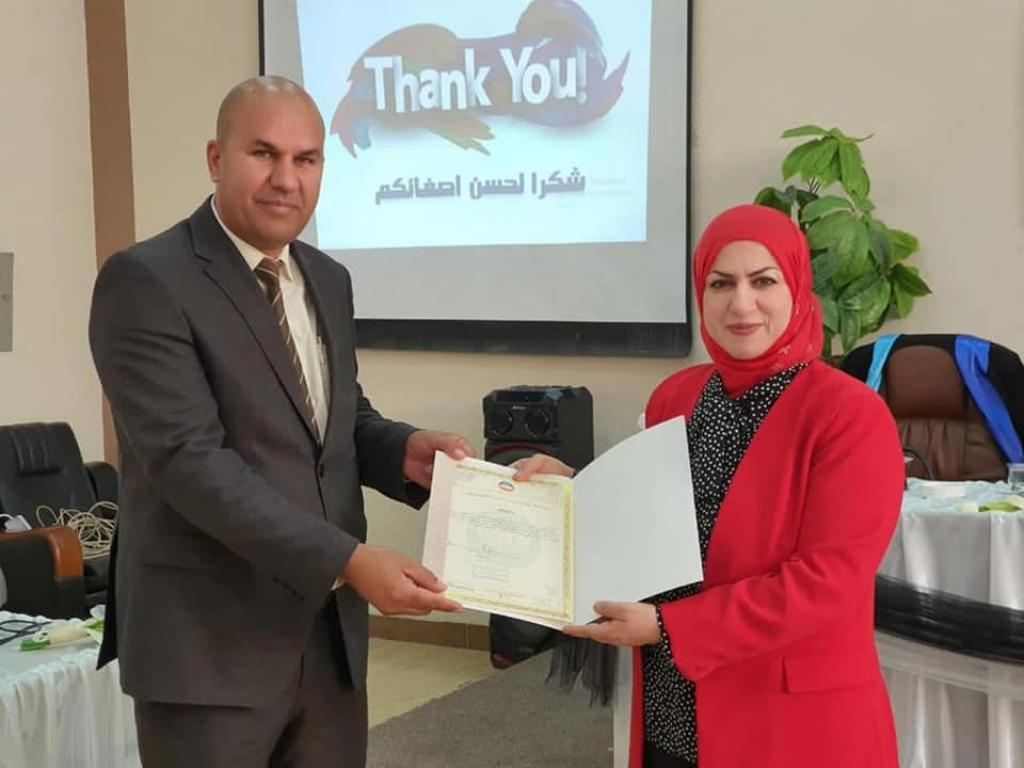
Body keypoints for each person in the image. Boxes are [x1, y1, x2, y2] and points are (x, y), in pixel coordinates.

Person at [89, 75, 473, 767]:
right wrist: (349, 561)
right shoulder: (146, 280)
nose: (286, 179)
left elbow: (335, 421)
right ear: (216, 159)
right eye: (263, 153)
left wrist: (403, 451)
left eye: (306, 159)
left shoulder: (327, 278)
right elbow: (189, 463)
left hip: (327, 648)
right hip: (209, 649)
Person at [516, 204, 904, 768]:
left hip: (790, 714)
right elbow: (655, 517)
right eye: (721, 283)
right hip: (675, 695)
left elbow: (827, 580)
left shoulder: (849, 414)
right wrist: (576, 489)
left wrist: (670, 627)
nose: (741, 304)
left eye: (763, 281)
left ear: (797, 288)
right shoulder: (677, 396)